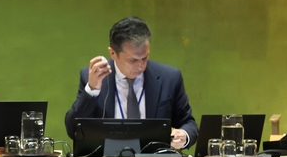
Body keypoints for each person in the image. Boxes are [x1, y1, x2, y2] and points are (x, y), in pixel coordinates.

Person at [64, 16, 198, 150]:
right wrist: (92, 90)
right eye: (133, 60)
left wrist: (184, 135)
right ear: (113, 53)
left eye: (145, 58)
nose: (141, 66)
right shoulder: (94, 77)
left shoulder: (170, 78)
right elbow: (73, 131)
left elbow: (188, 123)